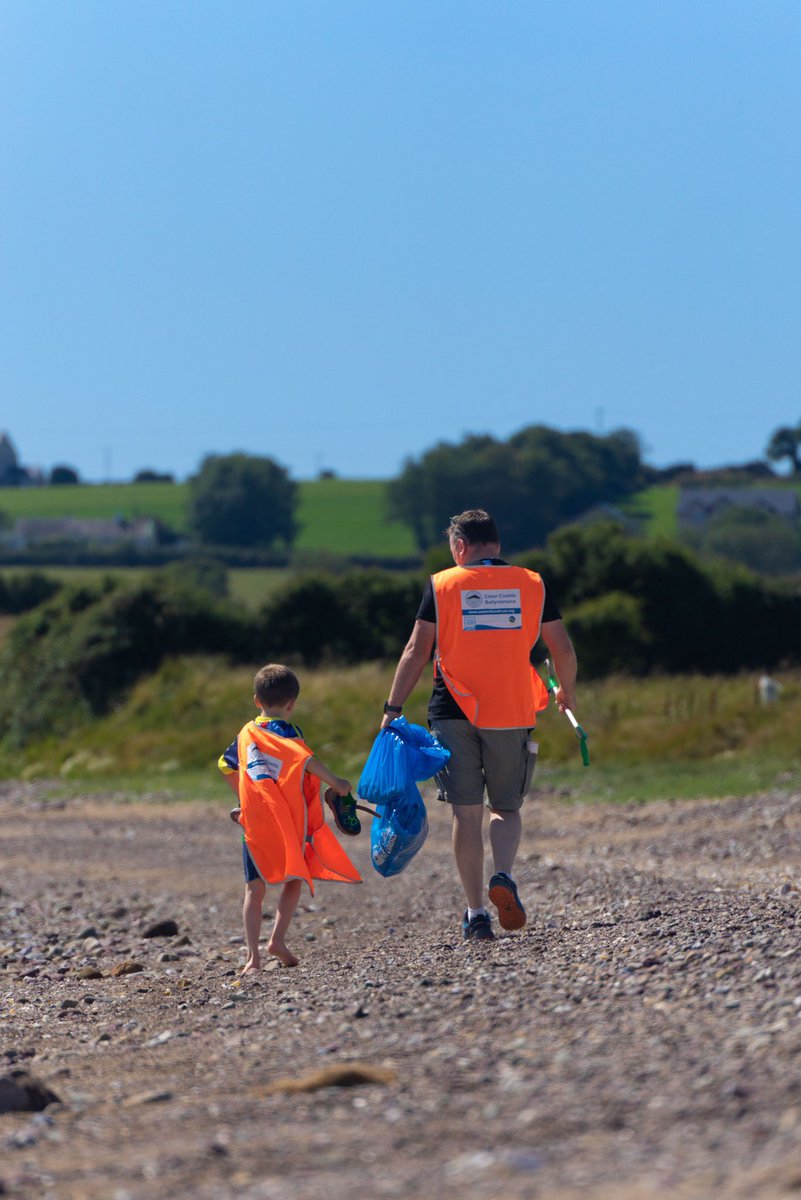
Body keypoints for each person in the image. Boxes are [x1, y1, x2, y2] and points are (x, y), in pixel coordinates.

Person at [381, 509, 577, 942]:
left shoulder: (442, 583)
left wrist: (392, 708)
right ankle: (503, 875)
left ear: (459, 548)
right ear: (497, 544)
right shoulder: (532, 583)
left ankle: (475, 915)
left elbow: (416, 650)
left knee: (465, 815)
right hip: (512, 711)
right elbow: (560, 647)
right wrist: (566, 691)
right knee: (505, 808)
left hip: (451, 711)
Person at [220, 663, 362, 972]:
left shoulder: (246, 734)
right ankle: (277, 940)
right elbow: (305, 761)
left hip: (256, 822)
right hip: (288, 820)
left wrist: (244, 801)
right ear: (291, 703)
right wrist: (336, 782)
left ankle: (252, 958)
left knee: (254, 889)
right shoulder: (289, 732)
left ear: (257, 700)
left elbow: (225, 765)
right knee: (295, 877)